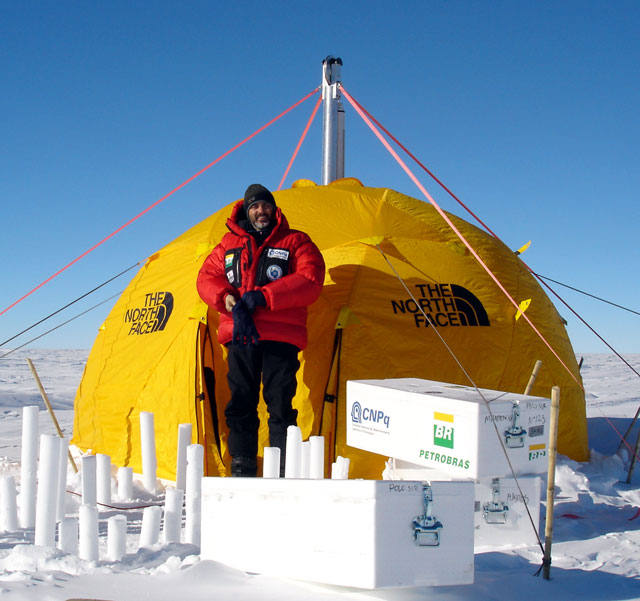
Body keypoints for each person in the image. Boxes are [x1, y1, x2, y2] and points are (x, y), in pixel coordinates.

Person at [197, 184, 325, 476]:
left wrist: (265, 297)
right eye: (254, 206)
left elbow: (311, 278)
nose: (260, 211)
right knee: (241, 398)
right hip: (241, 333)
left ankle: (282, 466)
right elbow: (206, 277)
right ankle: (242, 463)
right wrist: (226, 298)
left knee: (280, 400)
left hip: (281, 334)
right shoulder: (227, 245)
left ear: (274, 209)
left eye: (265, 205)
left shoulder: (295, 241)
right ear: (246, 210)